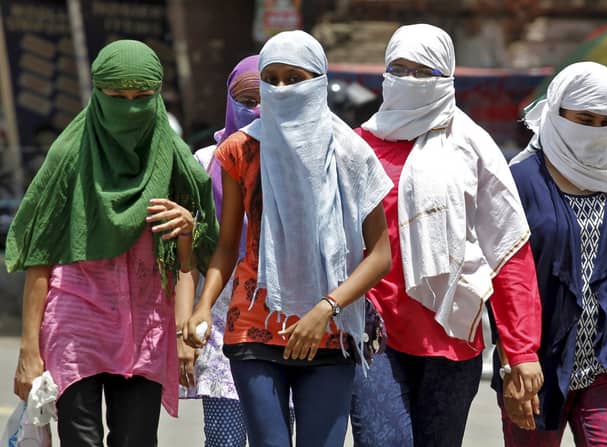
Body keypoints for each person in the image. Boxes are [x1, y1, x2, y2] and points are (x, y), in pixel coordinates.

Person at [184, 30, 393, 447]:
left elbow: (379, 256)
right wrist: (202, 306)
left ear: (318, 82)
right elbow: (227, 246)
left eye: (294, 78)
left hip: (330, 329)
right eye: (271, 79)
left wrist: (325, 308)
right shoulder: (240, 150)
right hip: (254, 327)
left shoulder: (351, 154)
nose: (280, 89)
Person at [7, 40, 218, 446]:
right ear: (97, 93)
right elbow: (40, 257)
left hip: (146, 324)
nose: (131, 109)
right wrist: (28, 351)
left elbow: (193, 257)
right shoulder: (69, 155)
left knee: (136, 440)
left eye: (142, 97)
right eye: (117, 97)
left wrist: (190, 226)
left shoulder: (175, 159)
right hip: (75, 320)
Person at [349, 24, 543, 447]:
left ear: (447, 75)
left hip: (451, 335)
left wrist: (521, 349)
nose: (409, 80)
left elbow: (508, 249)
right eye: (399, 69)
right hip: (372, 332)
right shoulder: (358, 146)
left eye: (423, 72)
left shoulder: (473, 147)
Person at [502, 62, 607, 446]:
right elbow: (504, 278)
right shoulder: (522, 181)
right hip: (536, 369)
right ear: (557, 110)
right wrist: (513, 362)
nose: (594, 131)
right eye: (584, 119)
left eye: (605, 122)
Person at [177, 54, 266, 447]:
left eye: (264, 99)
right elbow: (189, 259)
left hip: (283, 320)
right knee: (223, 439)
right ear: (230, 102)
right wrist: (185, 329)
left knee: (274, 436)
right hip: (219, 318)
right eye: (246, 101)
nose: (256, 110)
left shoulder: (299, 160)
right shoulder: (205, 163)